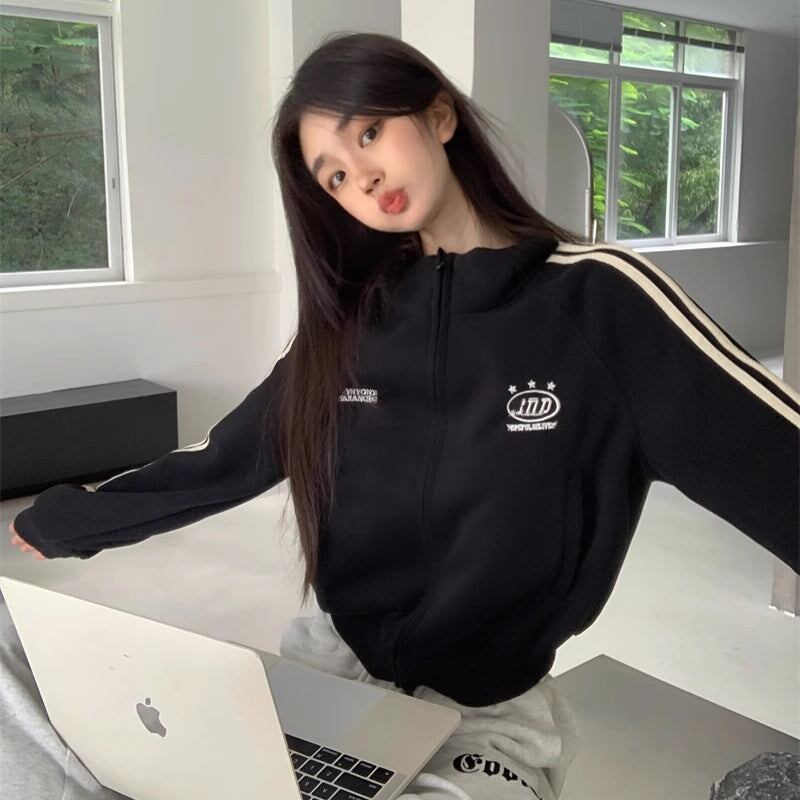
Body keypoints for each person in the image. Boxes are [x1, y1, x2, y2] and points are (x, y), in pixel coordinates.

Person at [6, 30, 799, 800]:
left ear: (439, 115)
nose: (363, 177)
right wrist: (72, 520)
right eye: (334, 176)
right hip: (327, 673)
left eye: (369, 133)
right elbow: (231, 455)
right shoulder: (353, 323)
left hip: (483, 718)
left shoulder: (600, 302)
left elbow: (774, 456)